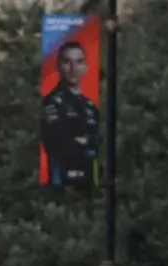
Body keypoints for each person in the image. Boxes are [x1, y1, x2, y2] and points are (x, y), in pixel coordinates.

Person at [40, 39, 100, 190]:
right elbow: (59, 142)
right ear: (59, 66)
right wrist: (86, 144)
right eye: (67, 62)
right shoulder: (51, 102)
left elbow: (101, 140)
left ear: (85, 67)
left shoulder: (90, 105)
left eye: (79, 62)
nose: (73, 68)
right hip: (62, 183)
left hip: (89, 181)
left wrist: (86, 141)